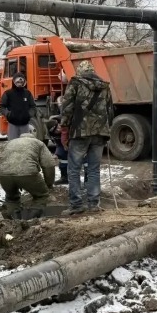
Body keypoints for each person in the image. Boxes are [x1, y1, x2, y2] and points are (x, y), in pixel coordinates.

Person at [59, 60, 113, 215]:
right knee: (94, 169)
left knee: (74, 169)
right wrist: (106, 130)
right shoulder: (105, 86)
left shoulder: (75, 83)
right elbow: (110, 110)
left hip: (80, 133)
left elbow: (67, 108)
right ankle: (93, 204)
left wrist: (64, 129)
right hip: (99, 133)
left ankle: (76, 205)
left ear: (80, 72)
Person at [0, 132, 56, 220]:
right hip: (27, 172)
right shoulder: (38, 143)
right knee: (41, 196)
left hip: (3, 172)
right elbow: (49, 165)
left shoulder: (10, 143)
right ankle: (30, 220)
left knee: (11, 198)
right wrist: (49, 184)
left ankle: (14, 221)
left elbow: (1, 158)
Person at [0, 72, 36, 140]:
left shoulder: (28, 93)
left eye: (21, 82)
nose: (19, 83)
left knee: (25, 145)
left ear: (24, 82)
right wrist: (8, 114)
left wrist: (28, 115)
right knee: (13, 145)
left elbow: (33, 107)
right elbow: (1, 107)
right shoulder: (8, 93)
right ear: (14, 82)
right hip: (13, 124)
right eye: (18, 81)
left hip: (25, 124)